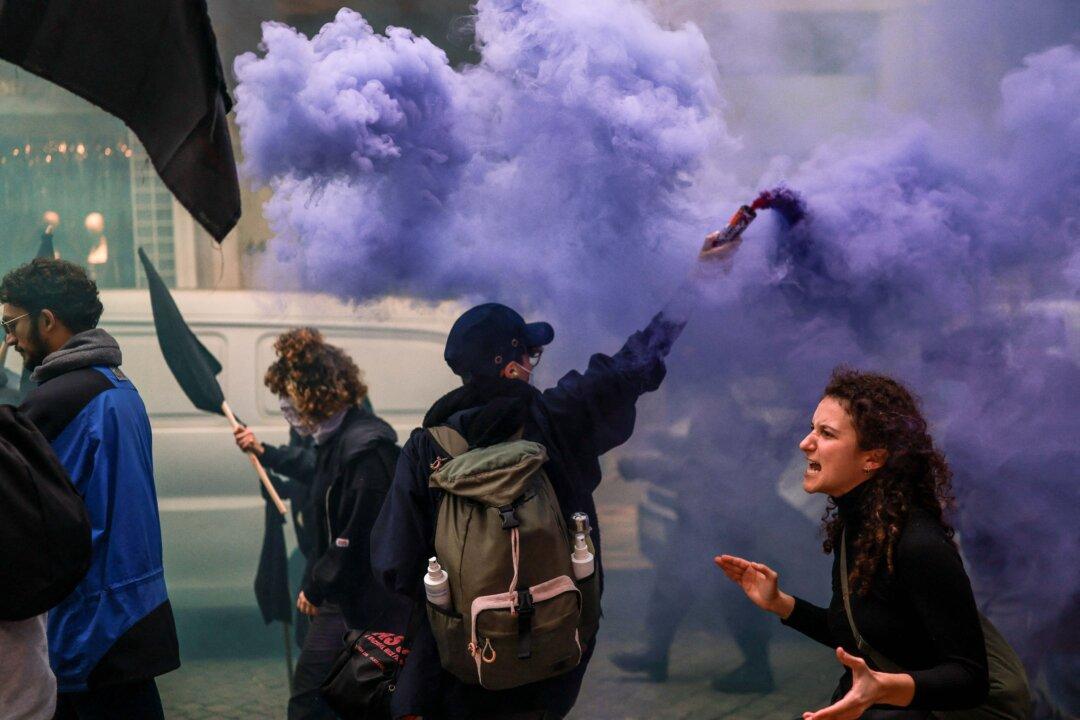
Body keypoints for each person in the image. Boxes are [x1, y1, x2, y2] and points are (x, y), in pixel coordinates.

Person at [716, 367, 990, 719]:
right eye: (812, 428)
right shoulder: (863, 526)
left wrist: (883, 688)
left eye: (826, 433)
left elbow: (970, 678)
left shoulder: (918, 544)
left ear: (872, 458)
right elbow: (862, 637)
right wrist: (781, 604)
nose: (805, 443)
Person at [1, 258, 180, 718]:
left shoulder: (54, 402)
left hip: (84, 621)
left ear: (47, 320)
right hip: (136, 609)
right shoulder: (119, 385)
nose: (10, 339)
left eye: (12, 323)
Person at [236, 327, 405, 720]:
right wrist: (265, 453)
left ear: (313, 395)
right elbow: (315, 473)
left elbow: (356, 534)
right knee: (326, 696)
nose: (286, 411)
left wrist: (317, 583)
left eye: (289, 400)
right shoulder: (337, 440)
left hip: (364, 601)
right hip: (347, 596)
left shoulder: (365, 450)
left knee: (313, 700)